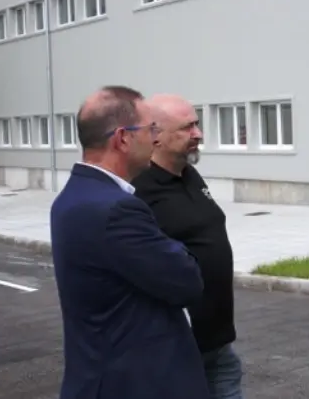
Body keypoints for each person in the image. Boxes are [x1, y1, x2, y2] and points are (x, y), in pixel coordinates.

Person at [50, 86, 209, 399]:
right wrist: (177, 248)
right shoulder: (116, 210)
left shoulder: (74, 196)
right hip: (136, 384)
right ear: (123, 138)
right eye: (150, 129)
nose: (155, 139)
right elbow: (187, 280)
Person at [133, 94, 244, 399]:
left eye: (197, 124)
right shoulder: (139, 191)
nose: (198, 134)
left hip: (218, 342)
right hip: (178, 347)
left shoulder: (189, 174)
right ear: (155, 136)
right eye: (186, 128)